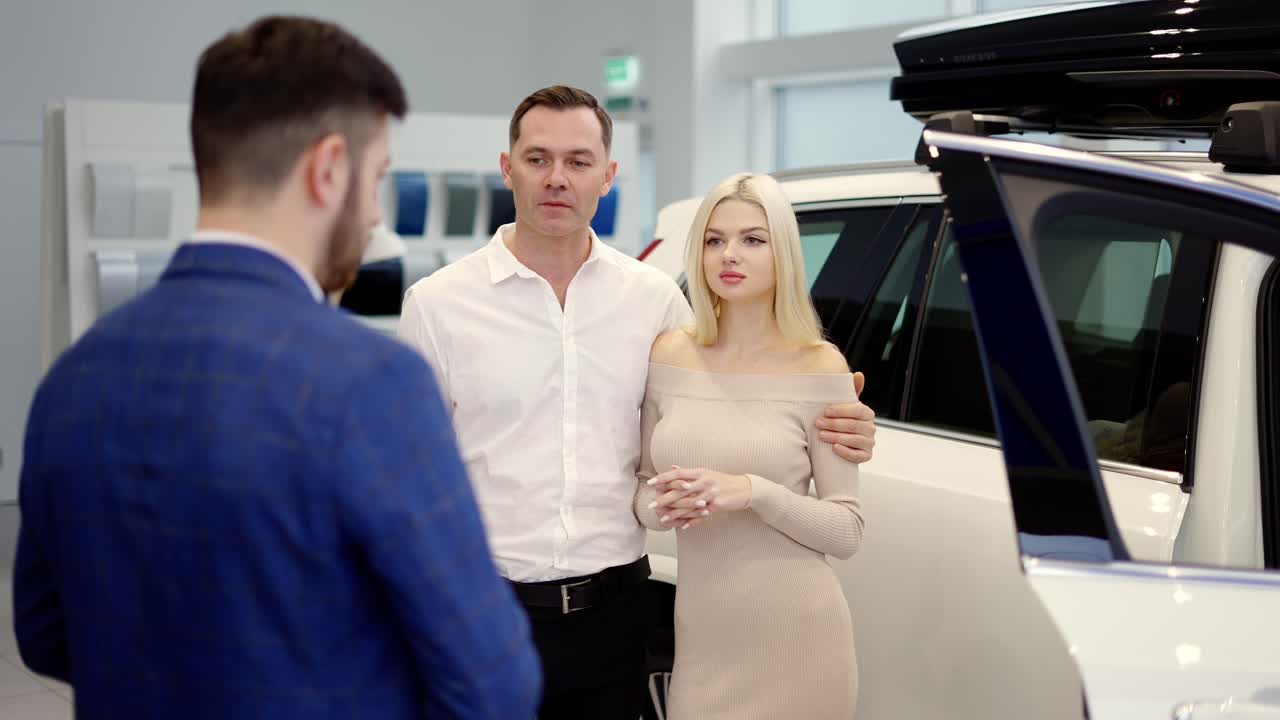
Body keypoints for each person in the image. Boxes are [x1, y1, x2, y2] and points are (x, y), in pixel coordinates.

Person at [12, 16, 539, 720]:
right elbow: (491, 682)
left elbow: (46, 637)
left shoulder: (75, 375)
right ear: (327, 170)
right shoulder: (368, 383)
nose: (377, 212)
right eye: (376, 177)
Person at [397, 85, 875, 720]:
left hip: (615, 620)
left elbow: (729, 399)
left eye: (578, 160)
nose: (557, 178)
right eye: (538, 159)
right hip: (483, 618)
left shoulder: (655, 304)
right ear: (508, 168)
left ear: (608, 175)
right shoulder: (438, 305)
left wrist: (851, 421)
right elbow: (406, 476)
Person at [635, 172, 864, 719]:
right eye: (715, 240)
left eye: (752, 239)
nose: (729, 255)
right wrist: (661, 508)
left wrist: (754, 491)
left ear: (782, 252)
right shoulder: (669, 354)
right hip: (703, 643)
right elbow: (641, 488)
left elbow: (848, 530)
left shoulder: (820, 366)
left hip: (800, 639)